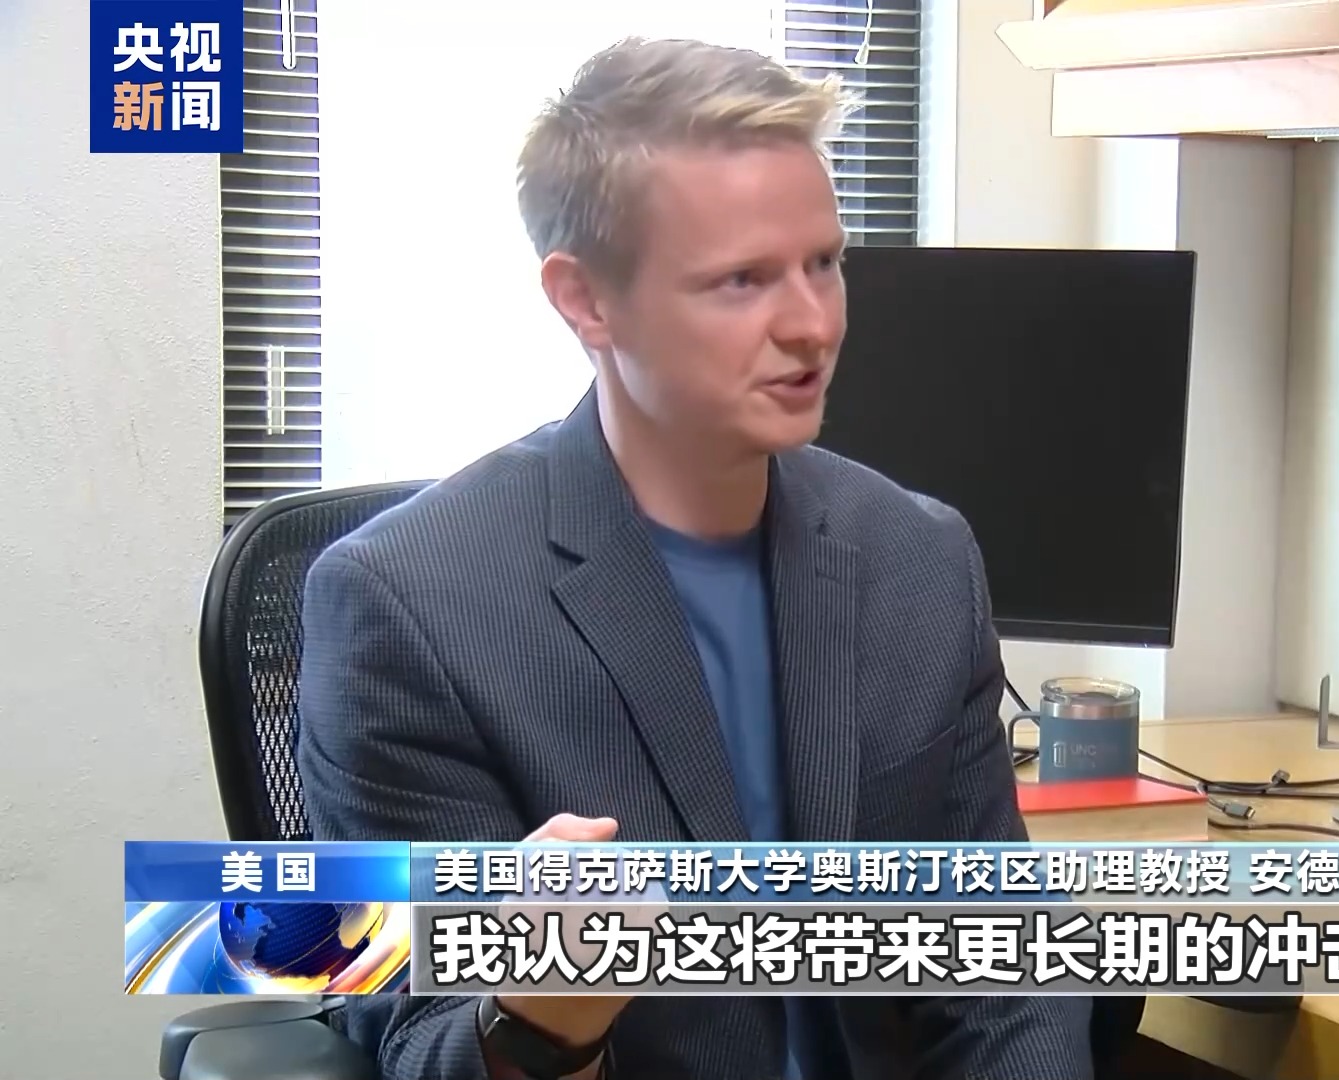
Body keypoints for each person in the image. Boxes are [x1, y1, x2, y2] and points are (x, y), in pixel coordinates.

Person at [294, 35, 1114, 1080]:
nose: (812, 325)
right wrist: (538, 1014)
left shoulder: (920, 557)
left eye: (824, 264)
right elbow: (419, 1044)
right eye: (741, 281)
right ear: (586, 301)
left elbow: (1003, 972)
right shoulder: (405, 607)